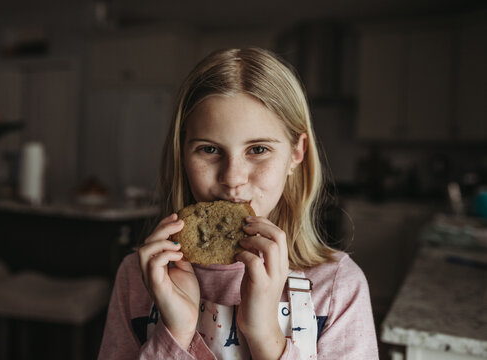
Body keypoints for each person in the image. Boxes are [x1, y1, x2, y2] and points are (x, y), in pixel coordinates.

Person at [98, 47, 378, 359]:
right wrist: (175, 333)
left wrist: (264, 335)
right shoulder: (136, 278)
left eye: (258, 149)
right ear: (182, 153)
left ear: (296, 154)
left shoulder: (338, 287)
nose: (232, 178)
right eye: (209, 149)